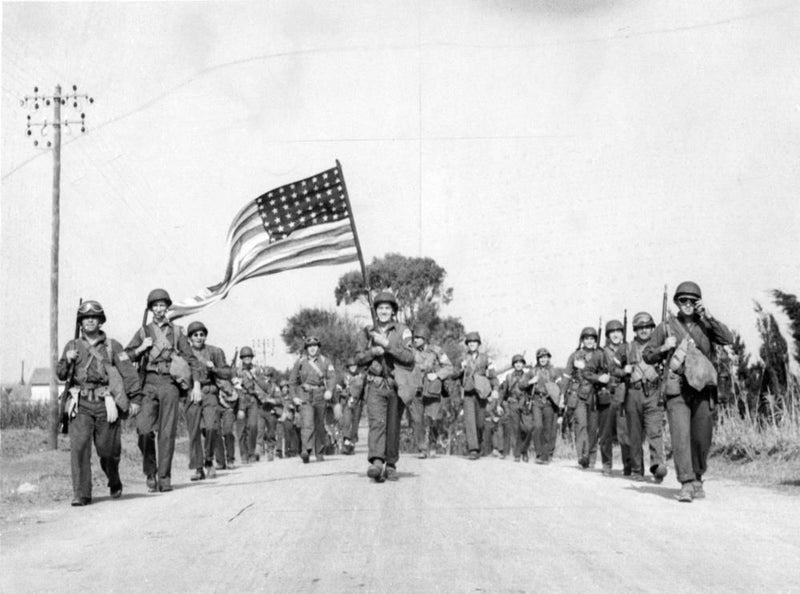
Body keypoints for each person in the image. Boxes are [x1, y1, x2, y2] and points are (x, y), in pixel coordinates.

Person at [644, 282, 733, 502]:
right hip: (677, 389)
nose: (688, 304)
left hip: (703, 388)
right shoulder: (666, 327)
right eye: (683, 300)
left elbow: (728, 339)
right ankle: (686, 481)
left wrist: (709, 316)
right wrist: (665, 347)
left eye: (693, 301)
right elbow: (647, 355)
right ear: (677, 302)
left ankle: (698, 477)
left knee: (702, 437)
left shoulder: (707, 325)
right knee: (681, 437)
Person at [58, 300, 143, 506]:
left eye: (94, 318)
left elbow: (129, 373)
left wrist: (136, 399)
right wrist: (67, 360)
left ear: (100, 321)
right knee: (79, 449)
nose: (89, 321)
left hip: (106, 404)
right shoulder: (72, 345)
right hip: (81, 403)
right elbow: (61, 375)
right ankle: (81, 494)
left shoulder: (113, 346)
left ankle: (113, 477)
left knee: (108, 450)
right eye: (86, 318)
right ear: (80, 322)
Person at [126, 288, 203, 493]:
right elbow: (125, 357)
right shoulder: (143, 332)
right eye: (155, 306)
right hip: (148, 383)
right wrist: (141, 348)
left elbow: (192, 360)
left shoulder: (177, 332)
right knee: (143, 429)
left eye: (162, 305)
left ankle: (164, 477)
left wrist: (196, 384)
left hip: (170, 383)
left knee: (167, 432)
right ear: (150, 309)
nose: (159, 309)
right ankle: (150, 471)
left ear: (167, 308)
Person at [355, 291, 415, 482]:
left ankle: (391, 464)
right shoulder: (367, 332)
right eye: (380, 308)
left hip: (396, 384)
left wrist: (387, 344)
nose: (383, 311)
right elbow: (357, 359)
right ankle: (377, 461)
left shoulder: (403, 331)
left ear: (393, 311)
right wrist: (373, 351)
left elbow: (409, 357)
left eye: (387, 308)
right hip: (375, 383)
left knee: (393, 425)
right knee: (376, 422)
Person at [185, 321, 231, 481]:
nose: (199, 337)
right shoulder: (184, 353)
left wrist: (214, 369)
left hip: (210, 392)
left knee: (211, 428)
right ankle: (198, 468)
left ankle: (209, 460)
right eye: (195, 335)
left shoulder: (214, 351)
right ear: (190, 338)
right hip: (191, 393)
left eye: (201, 334)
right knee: (194, 431)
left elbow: (227, 372)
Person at [624, 312, 667, 483]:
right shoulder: (627, 348)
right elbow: (610, 368)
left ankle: (657, 466)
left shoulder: (659, 345)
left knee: (654, 431)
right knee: (634, 434)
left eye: (647, 327)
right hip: (633, 392)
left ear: (652, 328)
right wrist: (622, 371)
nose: (644, 331)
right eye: (640, 328)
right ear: (635, 330)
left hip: (653, 391)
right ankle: (637, 469)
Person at [562, 326, 608, 469]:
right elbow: (566, 376)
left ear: (595, 340)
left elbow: (606, 373)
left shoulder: (601, 354)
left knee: (593, 428)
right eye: (586, 338)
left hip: (594, 394)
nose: (589, 341)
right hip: (578, 394)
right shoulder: (575, 355)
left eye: (592, 338)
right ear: (582, 340)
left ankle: (592, 457)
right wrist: (562, 396)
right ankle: (583, 456)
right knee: (580, 425)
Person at [409, 325, 454, 459]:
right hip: (416, 388)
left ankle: (433, 445)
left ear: (425, 338)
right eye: (414, 337)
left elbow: (449, 368)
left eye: (418, 337)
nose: (415, 340)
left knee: (434, 419)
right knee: (417, 420)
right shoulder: (410, 351)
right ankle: (422, 448)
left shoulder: (436, 351)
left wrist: (437, 375)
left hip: (432, 388)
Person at [452, 332, 498, 460]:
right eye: (470, 342)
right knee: (470, 421)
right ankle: (473, 449)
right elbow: (453, 375)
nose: (472, 344)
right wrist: (461, 369)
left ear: (478, 344)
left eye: (474, 342)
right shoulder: (462, 358)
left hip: (481, 393)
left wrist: (495, 389)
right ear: (467, 344)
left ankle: (480, 443)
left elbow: (493, 375)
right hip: (468, 393)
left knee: (480, 423)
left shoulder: (486, 358)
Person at [289, 336, 336, 463]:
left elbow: (332, 378)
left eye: (315, 346)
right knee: (307, 424)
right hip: (305, 395)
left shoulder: (326, 361)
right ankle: (306, 450)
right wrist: (294, 397)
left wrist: (329, 391)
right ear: (306, 349)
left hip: (320, 395)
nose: (312, 349)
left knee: (320, 425)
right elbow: (292, 382)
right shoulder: (300, 363)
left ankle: (320, 452)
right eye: (309, 346)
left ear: (318, 347)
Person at [598, 320, 632, 476]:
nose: (616, 335)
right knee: (605, 433)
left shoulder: (629, 349)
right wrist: (599, 378)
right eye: (613, 332)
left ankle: (628, 465)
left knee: (624, 432)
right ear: (607, 335)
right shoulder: (601, 353)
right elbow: (588, 372)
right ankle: (606, 464)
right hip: (607, 394)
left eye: (619, 331)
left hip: (624, 393)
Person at [234, 348, 269, 463]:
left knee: (253, 426)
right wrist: (240, 407)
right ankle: (244, 454)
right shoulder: (237, 371)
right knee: (241, 429)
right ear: (242, 358)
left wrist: (255, 377)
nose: (247, 358)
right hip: (241, 400)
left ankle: (251, 452)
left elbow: (265, 386)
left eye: (249, 356)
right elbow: (235, 387)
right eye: (245, 357)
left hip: (253, 399)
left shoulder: (257, 370)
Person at [497, 355, 533, 462]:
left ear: (523, 364)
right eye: (516, 363)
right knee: (516, 429)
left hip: (525, 404)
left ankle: (524, 450)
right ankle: (517, 454)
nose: (518, 365)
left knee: (528, 428)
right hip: (513, 403)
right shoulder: (508, 377)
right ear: (513, 365)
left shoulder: (528, 376)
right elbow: (503, 391)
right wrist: (499, 404)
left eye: (520, 362)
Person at [529, 348, 560, 464]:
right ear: (538, 359)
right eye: (541, 357)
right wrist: (530, 382)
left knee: (548, 429)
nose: (543, 359)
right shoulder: (533, 371)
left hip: (549, 402)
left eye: (545, 357)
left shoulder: (554, 371)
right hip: (536, 400)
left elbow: (560, 385)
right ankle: (539, 453)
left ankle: (545, 455)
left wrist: (560, 400)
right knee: (537, 426)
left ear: (548, 358)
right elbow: (522, 384)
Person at [340, 358, 366, 455]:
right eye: (351, 366)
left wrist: (363, 401)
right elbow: (338, 388)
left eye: (354, 365)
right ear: (348, 367)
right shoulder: (344, 377)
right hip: (347, 402)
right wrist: (344, 394)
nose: (353, 368)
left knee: (355, 424)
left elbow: (364, 390)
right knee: (347, 422)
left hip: (358, 403)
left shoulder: (362, 376)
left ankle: (352, 444)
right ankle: (346, 442)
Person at [256, 368, 282, 461]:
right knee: (260, 430)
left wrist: (271, 400)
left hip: (271, 410)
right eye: (265, 376)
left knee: (271, 431)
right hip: (261, 410)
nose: (266, 378)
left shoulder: (275, 387)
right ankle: (258, 449)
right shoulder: (258, 386)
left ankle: (270, 450)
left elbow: (279, 400)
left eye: (268, 376)